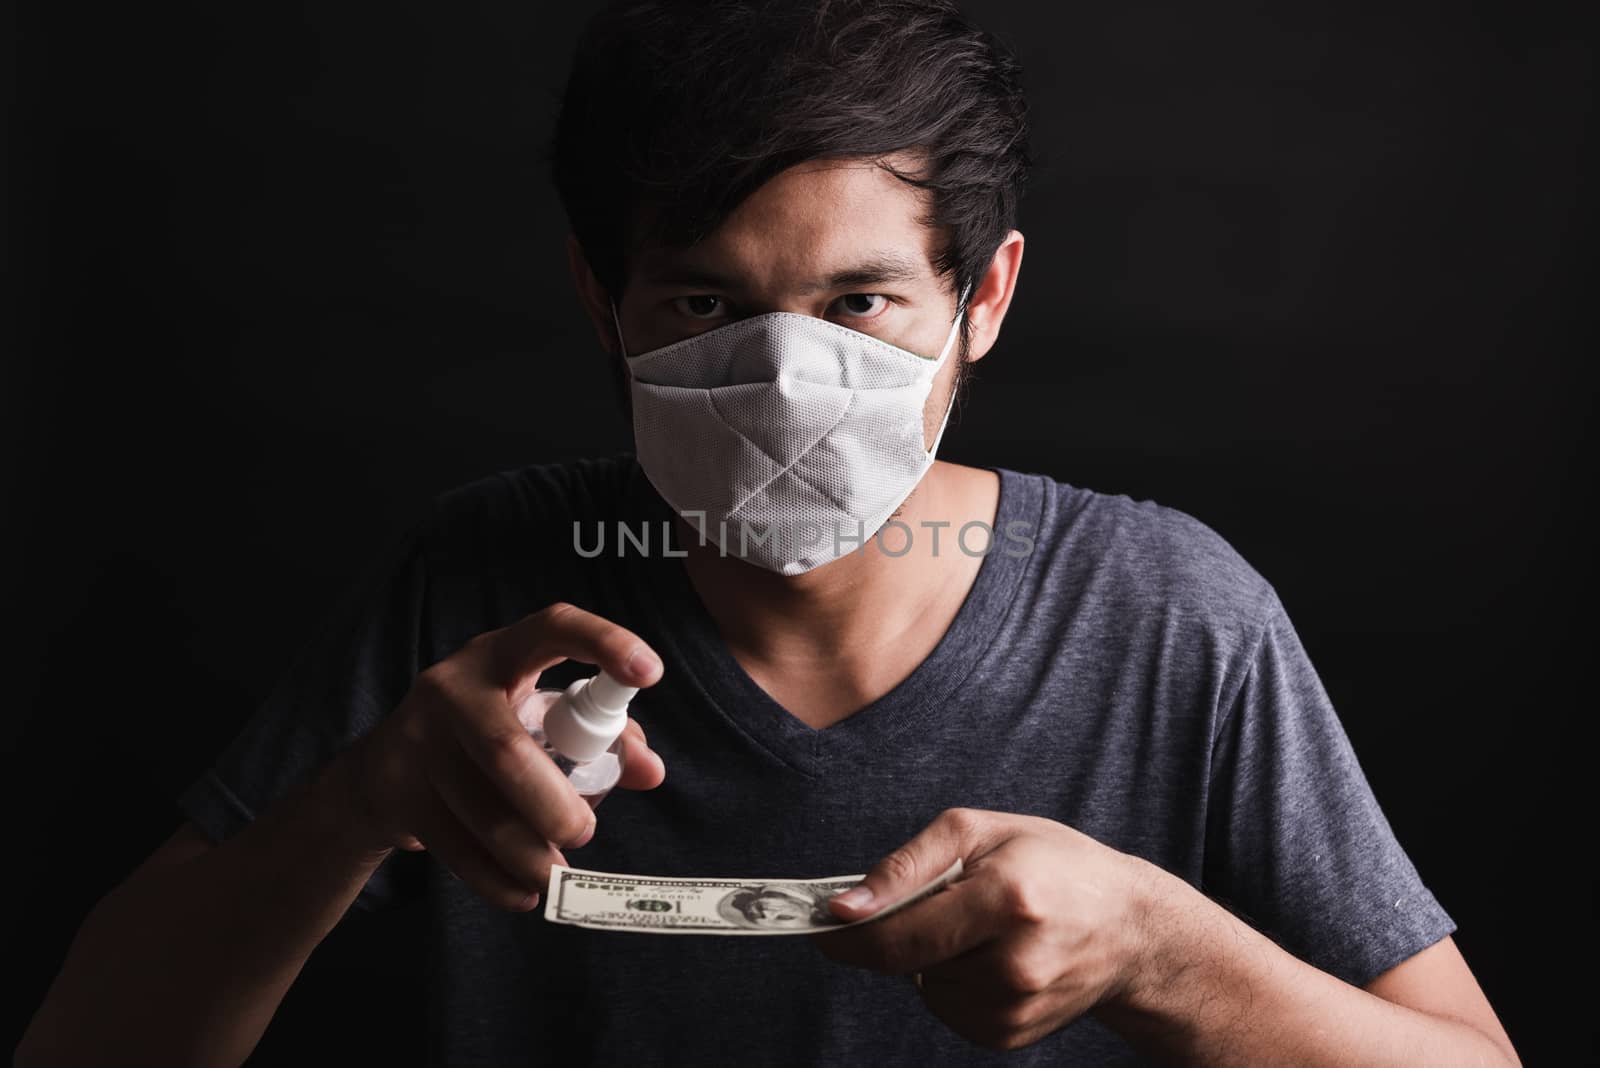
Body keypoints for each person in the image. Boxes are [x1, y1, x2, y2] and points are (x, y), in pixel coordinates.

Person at [18, 1, 1521, 1065]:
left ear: (982, 299)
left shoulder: (1169, 617)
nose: (790, 381)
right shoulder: (477, 590)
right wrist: (360, 800)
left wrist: (1161, 954)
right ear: (601, 300)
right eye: (704, 304)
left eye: (861, 303)